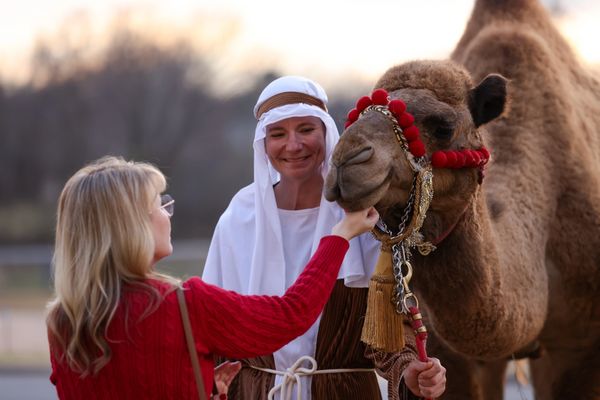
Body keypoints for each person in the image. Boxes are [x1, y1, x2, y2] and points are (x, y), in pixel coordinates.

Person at [46, 156, 379, 400]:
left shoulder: (63, 320)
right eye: (158, 206)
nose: (167, 213)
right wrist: (340, 236)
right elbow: (291, 314)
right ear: (131, 226)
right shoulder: (184, 304)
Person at [202, 76, 446, 399]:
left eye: (305, 129)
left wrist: (409, 370)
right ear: (263, 142)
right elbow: (213, 332)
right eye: (278, 134)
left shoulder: (363, 218)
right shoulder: (238, 218)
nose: (293, 145)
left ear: (327, 133)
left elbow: (384, 335)